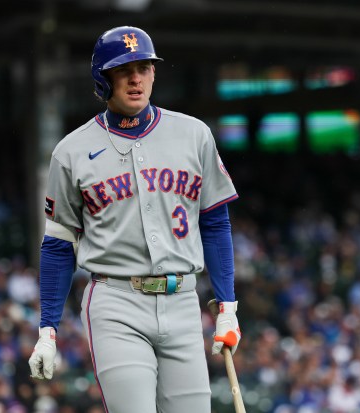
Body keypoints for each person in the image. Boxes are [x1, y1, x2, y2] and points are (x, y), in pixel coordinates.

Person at [29, 26, 242, 413]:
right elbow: (59, 245)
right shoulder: (70, 151)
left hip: (181, 300)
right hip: (116, 301)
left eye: (144, 66)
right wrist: (48, 329)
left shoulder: (194, 134)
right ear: (102, 78)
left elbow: (215, 222)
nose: (136, 78)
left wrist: (227, 306)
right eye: (123, 69)